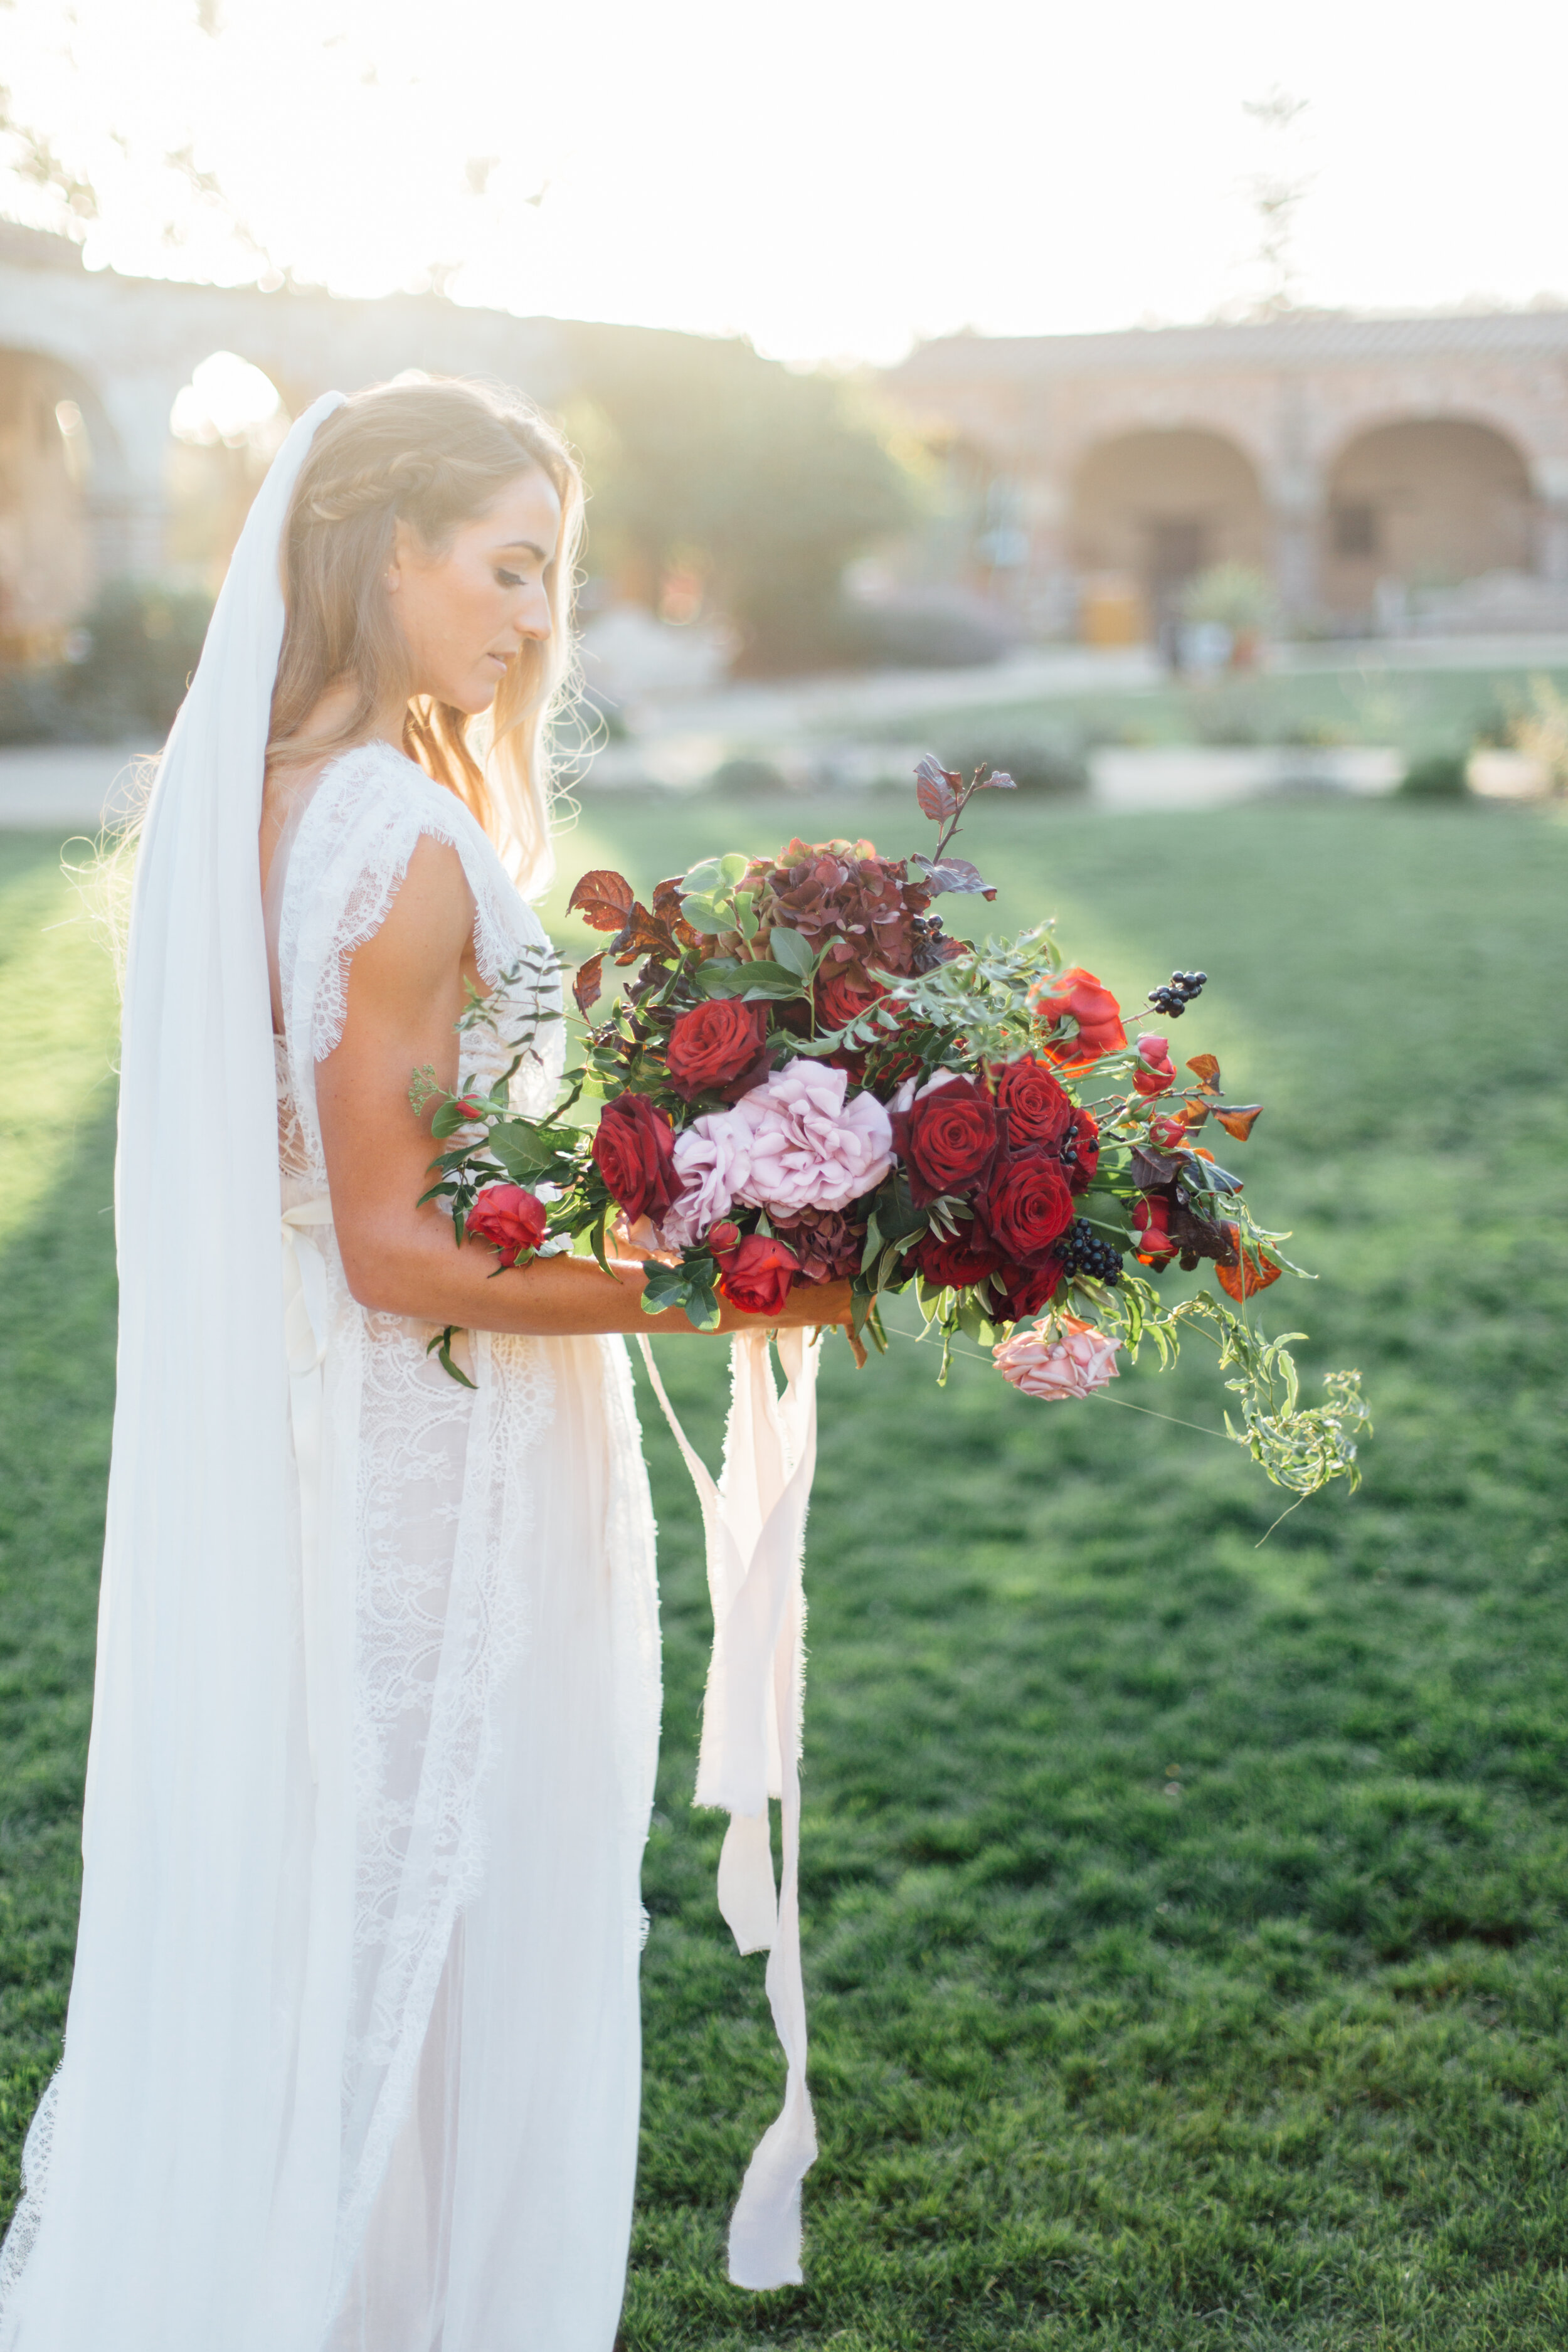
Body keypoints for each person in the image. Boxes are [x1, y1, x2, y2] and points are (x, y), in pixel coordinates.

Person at [0, 379, 850, 2352]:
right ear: (382, 549)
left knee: (338, 1874)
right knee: (436, 1879)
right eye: (508, 564)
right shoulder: (395, 832)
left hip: (316, 1421)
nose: (539, 618)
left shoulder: (253, 798)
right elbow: (399, 1251)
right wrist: (723, 1293)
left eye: (554, 573)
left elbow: (372, 1188)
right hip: (428, 1443)